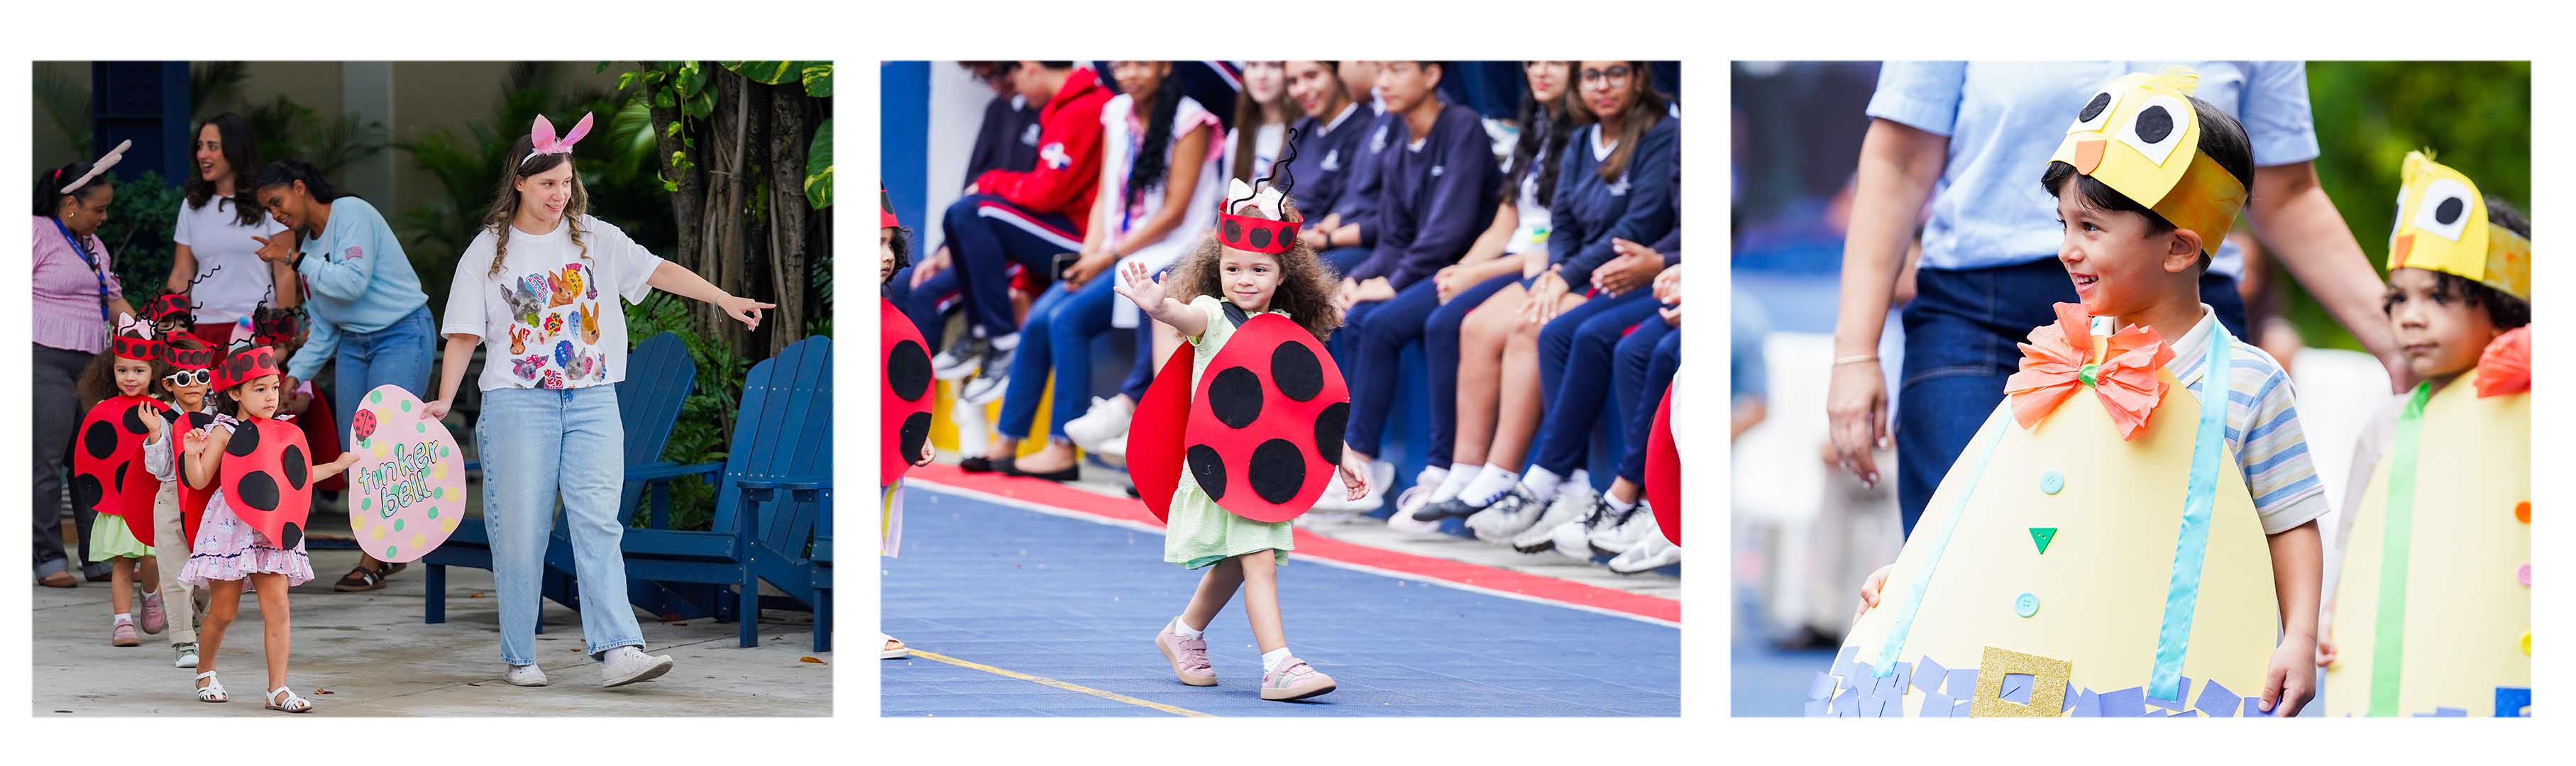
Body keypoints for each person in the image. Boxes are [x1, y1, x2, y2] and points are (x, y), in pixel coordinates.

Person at [1849, 70, 2323, 716]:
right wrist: (1918, 578)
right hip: (2038, 656)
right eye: (2064, 223)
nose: (2067, 250)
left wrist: (2297, 636)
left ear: (2181, 248)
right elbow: (1996, 502)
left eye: (2091, 229)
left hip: (2156, 668)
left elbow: (2289, 519)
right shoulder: (2054, 361)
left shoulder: (2248, 383)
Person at [1824, 62, 2410, 536]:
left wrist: (2397, 340)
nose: (2071, 248)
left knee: (2168, 559)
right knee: (1960, 556)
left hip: (2179, 322)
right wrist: (1855, 351)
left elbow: (2288, 192)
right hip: (1985, 316)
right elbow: (1899, 160)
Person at [429, 113, 774, 688]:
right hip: (519, 403)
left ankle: (619, 649)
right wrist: (443, 400)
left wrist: (722, 297)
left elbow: (656, 270)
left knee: (597, 523)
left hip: (591, 399)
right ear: (519, 181)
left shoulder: (593, 236)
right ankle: (520, 655)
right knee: (521, 531)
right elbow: (465, 331)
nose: (559, 195)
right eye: (547, 185)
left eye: (566, 183)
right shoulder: (489, 250)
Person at [1116, 185, 1368, 701]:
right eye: (1234, 269)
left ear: (1283, 274)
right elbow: (1185, 319)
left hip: (1269, 466)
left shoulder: (1288, 329)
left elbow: (1307, 406)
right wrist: (1161, 307)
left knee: (1242, 558)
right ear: (1218, 268)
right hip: (1224, 466)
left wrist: (1341, 454)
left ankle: (1182, 633)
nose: (1245, 280)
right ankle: (1279, 665)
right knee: (1257, 559)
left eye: (1259, 270)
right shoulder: (1211, 314)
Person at [1422, 62, 1676, 540]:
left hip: (1625, 273)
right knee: (1478, 325)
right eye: (1592, 75)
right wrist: (1560, 270)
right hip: (1576, 271)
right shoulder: (1582, 139)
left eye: (1615, 74)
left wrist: (1564, 276)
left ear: (1640, 78)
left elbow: (1634, 230)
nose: (1602, 87)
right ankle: (1473, 471)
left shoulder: (1661, 135)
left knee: (1539, 327)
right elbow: (1561, 225)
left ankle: (1542, 480)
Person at [2316, 154, 2530, 716]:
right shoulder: (2386, 426)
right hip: (2410, 662)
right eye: (2399, 299)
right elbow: (2355, 540)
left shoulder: (2533, 415)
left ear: (2503, 308)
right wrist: (2333, 614)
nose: (2410, 317)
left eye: (2438, 297)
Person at [967, 61, 1222, 481]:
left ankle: (1062, 450)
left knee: (1067, 320)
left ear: (1164, 66)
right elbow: (1106, 195)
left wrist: (1108, 257)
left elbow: (1176, 213)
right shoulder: (1117, 112)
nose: (1130, 73)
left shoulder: (1191, 120)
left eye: (1142, 63)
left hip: (1170, 252)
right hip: (1116, 250)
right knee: (1039, 318)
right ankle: (1007, 440)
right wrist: (1089, 256)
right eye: (1122, 64)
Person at [1385, 60, 1574, 521]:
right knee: (1447, 316)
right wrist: (1463, 269)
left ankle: (1491, 474)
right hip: (1517, 258)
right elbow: (1506, 221)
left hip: (1551, 265)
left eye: (1556, 62)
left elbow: (1550, 242)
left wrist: (1478, 273)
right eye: (1531, 63)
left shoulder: (1581, 136)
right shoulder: (1537, 129)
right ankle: (1459, 471)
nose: (1540, 71)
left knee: (1473, 324)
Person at [250, 159, 433, 592]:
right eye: (269, 211)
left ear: (300, 187)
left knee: (386, 446)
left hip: (402, 334)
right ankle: (384, 547)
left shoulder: (351, 213)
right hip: (353, 343)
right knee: (356, 452)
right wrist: (291, 379)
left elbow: (352, 283)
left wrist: (294, 260)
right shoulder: (307, 252)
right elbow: (326, 327)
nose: (276, 215)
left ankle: (375, 557)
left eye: (278, 202)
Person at [1334, 62, 1500, 520]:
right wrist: (1359, 278)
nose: (1384, 81)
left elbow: (1450, 232)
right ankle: (1364, 464)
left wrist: (1393, 282)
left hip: (1469, 269)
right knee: (1358, 314)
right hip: (1424, 269)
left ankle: (1411, 466)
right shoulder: (1397, 144)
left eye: (1398, 69)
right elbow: (1393, 237)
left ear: (1432, 75)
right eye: (1380, 70)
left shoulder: (1462, 126)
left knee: (1384, 321)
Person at [177, 328, 363, 712]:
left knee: (278, 606)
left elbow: (298, 477)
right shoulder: (224, 432)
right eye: (258, 389)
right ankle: (205, 670)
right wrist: (193, 453)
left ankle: (277, 688)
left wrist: (338, 465)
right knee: (224, 610)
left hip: (274, 527)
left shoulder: (286, 430)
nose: (270, 397)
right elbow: (198, 480)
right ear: (235, 394)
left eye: (274, 388)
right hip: (231, 529)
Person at [925, 62, 1113, 402]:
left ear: (1031, 68)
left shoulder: (1085, 106)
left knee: (973, 209)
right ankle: (982, 332)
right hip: (1060, 228)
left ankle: (1004, 342)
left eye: (1014, 78)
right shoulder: (1063, 107)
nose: (1015, 91)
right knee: (959, 215)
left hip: (1083, 240)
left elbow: (1046, 193)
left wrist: (989, 181)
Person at [35, 143, 142, 588]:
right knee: (46, 458)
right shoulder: (36, 232)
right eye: (98, 209)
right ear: (70, 204)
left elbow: (113, 299)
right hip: (42, 357)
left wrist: (147, 333)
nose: (103, 218)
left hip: (92, 364)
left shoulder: (93, 244)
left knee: (91, 459)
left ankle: (97, 557)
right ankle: (48, 559)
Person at [72, 316, 167, 647]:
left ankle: (152, 593)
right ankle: (122, 621)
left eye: (139, 370)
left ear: (154, 372)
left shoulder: (163, 411)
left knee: (152, 558)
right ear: (110, 371)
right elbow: (93, 456)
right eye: (122, 370)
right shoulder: (101, 409)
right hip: (116, 501)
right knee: (123, 561)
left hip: (151, 500)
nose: (130, 377)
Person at [168, 112, 297, 347]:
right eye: (200, 147)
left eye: (212, 147)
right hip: (201, 331)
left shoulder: (270, 202)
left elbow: (285, 273)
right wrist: (169, 326)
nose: (202, 155)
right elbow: (181, 274)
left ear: (235, 150)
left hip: (255, 330)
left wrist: (282, 338)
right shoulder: (191, 205)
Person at [145, 333, 221, 670]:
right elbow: (159, 469)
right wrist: (155, 434)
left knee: (211, 572)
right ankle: (183, 640)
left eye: (201, 377)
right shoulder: (162, 419)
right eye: (183, 379)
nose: (193, 385)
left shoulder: (222, 418)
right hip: (171, 498)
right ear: (168, 384)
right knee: (175, 573)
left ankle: (201, 622)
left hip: (212, 503)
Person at [1307, 61, 1392, 277]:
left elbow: (1395, 217)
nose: (1341, 76)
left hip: (1375, 245)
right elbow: (1356, 194)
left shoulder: (1397, 119)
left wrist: (1329, 238)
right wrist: (1332, 222)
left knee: (1299, 279)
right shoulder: (1379, 116)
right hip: (1344, 233)